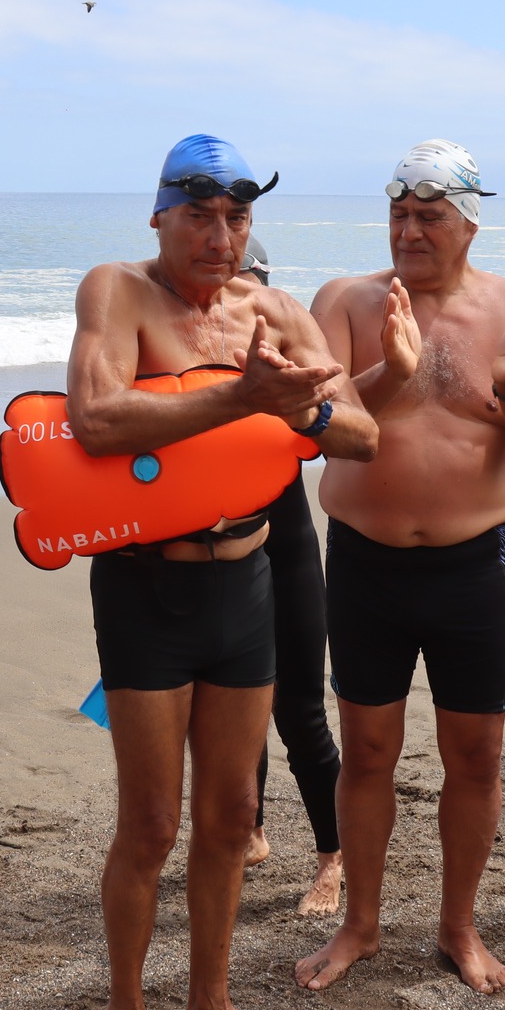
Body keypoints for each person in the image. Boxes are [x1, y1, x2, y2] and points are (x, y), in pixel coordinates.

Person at [65, 134, 377, 1010]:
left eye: (237, 216)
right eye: (199, 213)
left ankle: (209, 999)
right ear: (159, 214)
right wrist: (243, 397)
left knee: (235, 809)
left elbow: (360, 432)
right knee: (152, 819)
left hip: (246, 581)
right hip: (146, 586)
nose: (219, 233)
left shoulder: (276, 310)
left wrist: (300, 413)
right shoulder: (117, 291)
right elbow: (96, 417)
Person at [295, 140, 505, 996]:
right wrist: (392, 370)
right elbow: (318, 424)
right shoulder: (344, 300)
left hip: (475, 568)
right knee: (368, 748)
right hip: (367, 562)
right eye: (400, 212)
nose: (409, 229)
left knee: (475, 754)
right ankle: (361, 925)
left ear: (469, 223)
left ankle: (458, 927)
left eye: (430, 215)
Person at [234, 235, 346, 917]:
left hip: (287, 547)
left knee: (299, 711)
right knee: (229, 716)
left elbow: (337, 424)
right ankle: (250, 832)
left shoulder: (285, 355)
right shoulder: (179, 356)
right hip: (215, 561)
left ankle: (333, 857)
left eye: (248, 283)